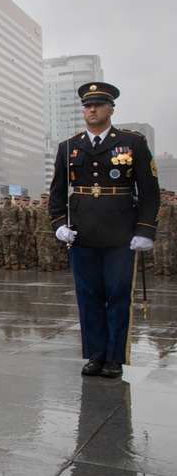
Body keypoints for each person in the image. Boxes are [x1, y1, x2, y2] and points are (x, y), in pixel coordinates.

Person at [49, 81, 159, 379]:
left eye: (97, 104)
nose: (92, 109)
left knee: (119, 294)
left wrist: (145, 230)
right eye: (87, 105)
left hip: (121, 234)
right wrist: (59, 225)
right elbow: (57, 193)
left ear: (111, 108)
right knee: (88, 296)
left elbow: (150, 192)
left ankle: (114, 357)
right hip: (82, 234)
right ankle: (95, 355)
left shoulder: (132, 143)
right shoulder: (69, 146)